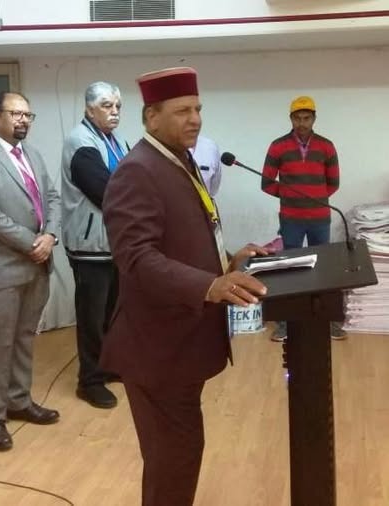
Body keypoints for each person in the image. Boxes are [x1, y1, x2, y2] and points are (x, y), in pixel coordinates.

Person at [101, 67, 268, 506]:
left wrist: (228, 260)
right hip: (157, 349)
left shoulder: (177, 159)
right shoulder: (137, 171)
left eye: (197, 109)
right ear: (151, 117)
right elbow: (136, 258)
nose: (195, 119)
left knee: (180, 453)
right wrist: (210, 285)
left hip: (180, 343)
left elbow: (186, 237)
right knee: (172, 460)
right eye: (182, 111)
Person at [0, 91, 61, 452]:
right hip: (1, 267)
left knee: (24, 338)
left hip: (38, 263)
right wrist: (33, 242)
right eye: (16, 113)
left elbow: (52, 198)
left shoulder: (32, 154)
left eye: (27, 115)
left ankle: (19, 400)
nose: (23, 120)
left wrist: (50, 236)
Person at [60, 81, 129, 409]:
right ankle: (89, 381)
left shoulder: (115, 140)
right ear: (89, 109)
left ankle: (110, 366)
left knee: (112, 312)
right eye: (106, 106)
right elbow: (107, 192)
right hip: (90, 245)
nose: (114, 112)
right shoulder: (81, 142)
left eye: (117, 106)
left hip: (113, 243)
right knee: (91, 315)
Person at [262, 95, 346, 342]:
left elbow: (334, 183)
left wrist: (314, 197)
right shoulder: (278, 146)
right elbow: (266, 182)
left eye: (306, 118)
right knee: (290, 270)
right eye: (297, 118)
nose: (302, 123)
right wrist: (290, 195)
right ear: (291, 119)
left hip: (320, 218)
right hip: (291, 219)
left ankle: (327, 321)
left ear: (314, 119)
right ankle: (286, 323)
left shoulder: (326, 146)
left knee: (323, 269)